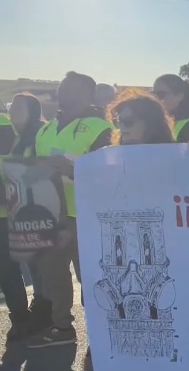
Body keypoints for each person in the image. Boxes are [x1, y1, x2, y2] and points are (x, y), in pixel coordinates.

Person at [98, 91, 189, 371]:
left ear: (151, 124)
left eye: (129, 120)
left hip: (162, 251)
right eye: (117, 120)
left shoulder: (175, 157)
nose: (121, 126)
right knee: (119, 324)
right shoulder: (107, 158)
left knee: (165, 321)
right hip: (120, 251)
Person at [28, 71, 113, 348]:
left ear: (89, 95)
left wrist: (75, 170)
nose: (65, 93)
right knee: (53, 274)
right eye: (63, 87)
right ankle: (62, 325)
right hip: (51, 215)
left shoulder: (102, 128)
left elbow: (109, 172)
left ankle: (100, 333)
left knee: (91, 277)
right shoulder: (45, 128)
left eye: (74, 88)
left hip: (87, 215)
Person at [7, 93, 51, 335]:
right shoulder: (18, 137)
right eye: (11, 106)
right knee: (33, 263)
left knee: (44, 263)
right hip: (23, 208)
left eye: (17, 107)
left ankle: (48, 309)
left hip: (42, 208)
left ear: (32, 111)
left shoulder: (39, 134)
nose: (12, 111)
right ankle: (41, 303)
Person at [152, 75, 189, 143]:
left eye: (160, 94)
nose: (155, 99)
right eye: (152, 95)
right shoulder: (153, 124)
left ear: (179, 97)